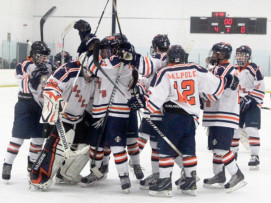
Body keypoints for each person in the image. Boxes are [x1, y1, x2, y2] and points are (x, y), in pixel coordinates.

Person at [128, 45, 239, 197]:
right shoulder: (195, 68)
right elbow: (214, 84)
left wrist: (141, 101)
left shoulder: (165, 72)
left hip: (173, 116)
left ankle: (165, 182)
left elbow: (156, 98)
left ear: (169, 59)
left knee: (166, 149)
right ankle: (190, 182)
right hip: (191, 119)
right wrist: (227, 81)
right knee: (188, 149)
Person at [29, 34, 99, 190]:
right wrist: (58, 101)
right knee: (57, 150)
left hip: (80, 118)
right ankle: (39, 177)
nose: (90, 77)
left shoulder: (95, 74)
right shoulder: (69, 69)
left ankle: (67, 173)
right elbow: (51, 87)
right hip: (64, 117)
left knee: (87, 146)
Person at [80, 35, 136, 192]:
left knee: (117, 145)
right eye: (102, 51)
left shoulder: (118, 64)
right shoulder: (115, 62)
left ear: (116, 50)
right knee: (95, 145)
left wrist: (87, 50)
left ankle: (124, 176)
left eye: (106, 50)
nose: (103, 53)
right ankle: (95, 172)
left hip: (117, 111)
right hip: (99, 109)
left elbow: (92, 65)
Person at [1, 41, 52, 181]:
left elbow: (53, 81)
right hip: (25, 103)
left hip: (42, 106)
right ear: (34, 54)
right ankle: (7, 164)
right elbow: (24, 84)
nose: (44, 59)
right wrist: (35, 75)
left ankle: (33, 165)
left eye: (45, 56)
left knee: (39, 138)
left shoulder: (47, 66)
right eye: (41, 56)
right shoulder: (23, 65)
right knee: (18, 137)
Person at [201, 42, 247, 193]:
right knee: (215, 147)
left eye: (216, 53)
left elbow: (221, 92)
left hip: (224, 114)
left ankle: (237, 174)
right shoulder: (214, 69)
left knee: (221, 148)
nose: (213, 55)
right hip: (214, 114)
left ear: (223, 54)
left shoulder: (231, 70)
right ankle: (219, 175)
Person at [136, 34, 170, 189]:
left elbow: (144, 68)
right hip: (169, 109)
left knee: (155, 143)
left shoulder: (158, 59)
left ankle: (185, 172)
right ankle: (188, 172)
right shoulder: (172, 60)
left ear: (155, 46)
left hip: (155, 107)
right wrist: (141, 83)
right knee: (158, 143)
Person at [230, 45, 265, 170]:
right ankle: (233, 155)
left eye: (243, 55)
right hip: (238, 104)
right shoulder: (233, 69)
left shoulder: (254, 68)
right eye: (238, 55)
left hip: (252, 104)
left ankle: (255, 156)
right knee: (235, 130)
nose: (240, 57)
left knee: (251, 129)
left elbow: (261, 87)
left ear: (248, 56)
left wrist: (251, 98)